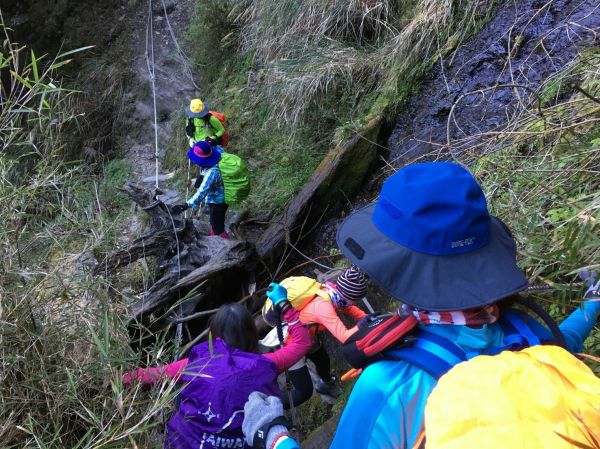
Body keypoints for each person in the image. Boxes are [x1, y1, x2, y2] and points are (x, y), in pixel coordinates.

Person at [325, 161, 600, 448]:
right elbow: (563, 343)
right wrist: (593, 303)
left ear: (393, 264)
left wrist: (278, 435)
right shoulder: (522, 330)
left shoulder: (390, 387)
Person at [123, 285, 312, 449]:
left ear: (215, 335)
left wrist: (111, 381)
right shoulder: (265, 365)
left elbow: (148, 376)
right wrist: (283, 304)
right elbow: (301, 343)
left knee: (182, 394)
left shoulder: (198, 364)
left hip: (182, 443)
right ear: (251, 333)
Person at [262, 267, 368, 402]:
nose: (355, 303)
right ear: (347, 297)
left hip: (307, 335)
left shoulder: (332, 292)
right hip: (292, 345)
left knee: (323, 360)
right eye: (355, 300)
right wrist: (360, 325)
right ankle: (269, 402)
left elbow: (349, 308)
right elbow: (345, 337)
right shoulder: (323, 306)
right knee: (303, 392)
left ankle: (326, 384)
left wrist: (367, 318)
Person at [171, 141, 229, 238]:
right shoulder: (218, 153)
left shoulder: (212, 173)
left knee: (218, 229)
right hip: (221, 198)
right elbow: (216, 147)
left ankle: (226, 246)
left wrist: (187, 205)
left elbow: (202, 192)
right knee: (215, 223)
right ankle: (214, 236)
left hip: (218, 202)